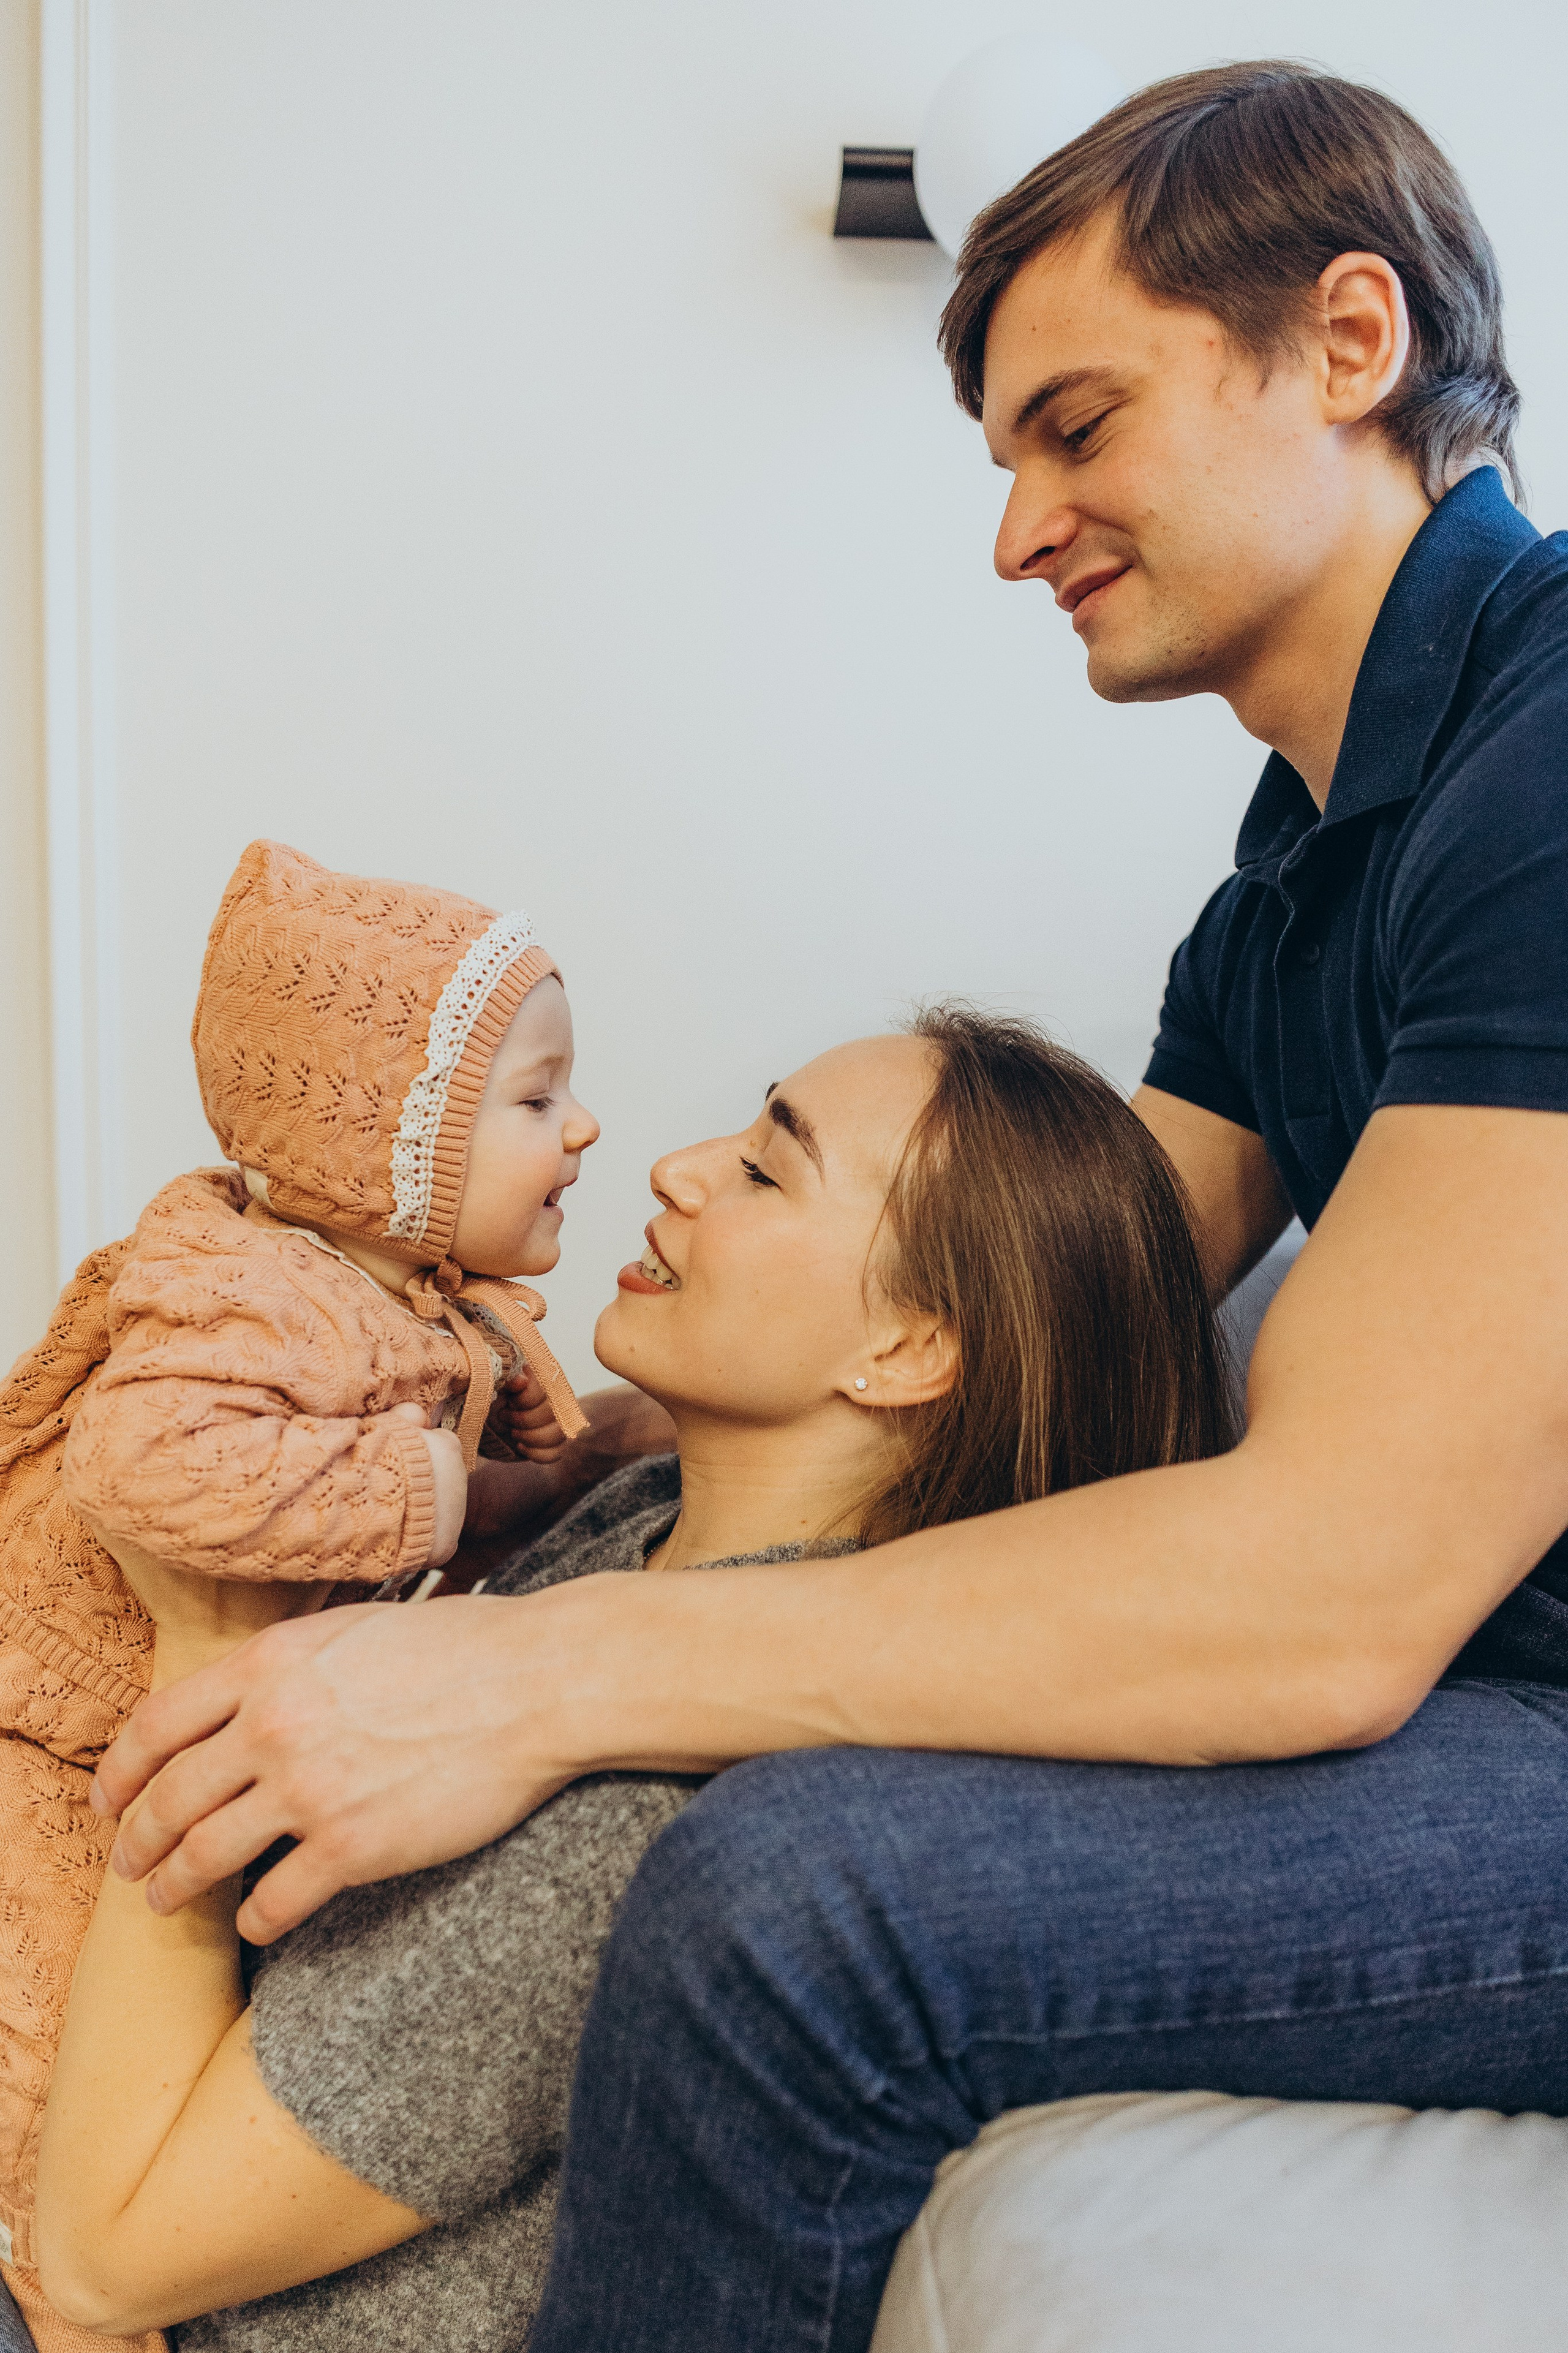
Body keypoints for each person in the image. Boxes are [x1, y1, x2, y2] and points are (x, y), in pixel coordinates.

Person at [91, 60, 1568, 2353]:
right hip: (1485, 1700)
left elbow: (1337, 1589)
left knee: (799, 1902)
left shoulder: (1553, 751)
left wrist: (531, 1674)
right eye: (1004, 462)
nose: (1018, 531)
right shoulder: (1289, 881)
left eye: (1078, 425)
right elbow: (1010, 1295)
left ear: (1350, 339)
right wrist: (530, 1467)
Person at [36, 1013, 1232, 2349]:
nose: (673, 1167)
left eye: (769, 1171)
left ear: (905, 1350)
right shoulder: (649, 1521)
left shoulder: (637, 1810)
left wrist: (212, 1639)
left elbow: (96, 2263)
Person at [0, 836, 612, 2352]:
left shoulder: (409, 1297)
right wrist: (443, 1491)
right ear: (381, 1160)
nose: (587, 1129)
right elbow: (148, 1470)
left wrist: (590, 1456)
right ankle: (62, 2289)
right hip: (64, 1751)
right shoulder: (268, 1301)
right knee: (45, 2039)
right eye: (535, 1101)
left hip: (166, 1733)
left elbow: (513, 1408)